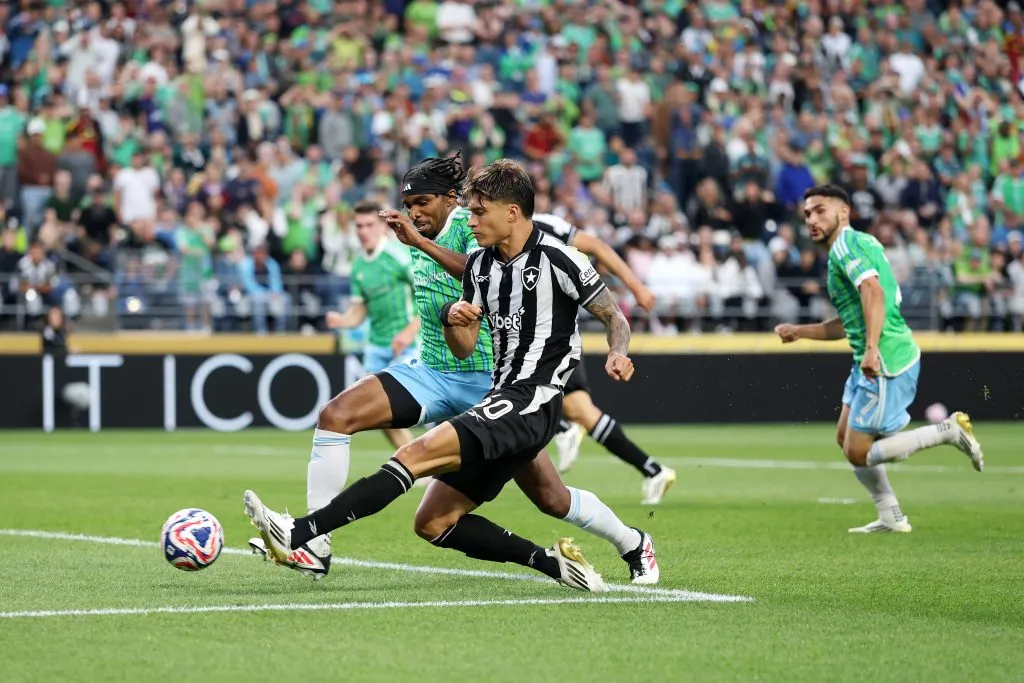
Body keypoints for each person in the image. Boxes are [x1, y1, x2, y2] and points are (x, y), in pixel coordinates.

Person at [249, 153, 658, 585]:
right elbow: (463, 346)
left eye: (479, 212)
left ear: (511, 212)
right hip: (483, 388)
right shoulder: (482, 265)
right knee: (449, 519)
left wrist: (618, 351)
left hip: (529, 399)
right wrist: (453, 318)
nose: (472, 221)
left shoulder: (559, 259)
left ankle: (302, 533)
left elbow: (614, 316)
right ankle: (612, 549)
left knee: (412, 456)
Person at [774, 185, 983, 533]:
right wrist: (801, 331)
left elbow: (874, 291)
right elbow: (850, 319)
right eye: (807, 213)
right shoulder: (862, 244)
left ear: (844, 212)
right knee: (845, 439)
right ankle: (890, 515)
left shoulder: (845, 245)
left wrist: (871, 348)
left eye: (820, 210)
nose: (811, 219)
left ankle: (947, 432)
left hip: (884, 358)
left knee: (858, 451)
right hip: (868, 357)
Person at [530, 213, 677, 504]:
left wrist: (636, 287)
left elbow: (596, 246)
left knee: (488, 386)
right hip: (531, 337)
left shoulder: (539, 225)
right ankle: (654, 470)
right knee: (584, 412)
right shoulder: (479, 235)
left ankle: (561, 426)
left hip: (551, 339)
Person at [323, 199, 419, 450]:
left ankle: (427, 459)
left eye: (369, 225)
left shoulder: (398, 256)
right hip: (376, 346)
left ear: (382, 226)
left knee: (395, 407)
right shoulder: (358, 265)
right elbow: (359, 311)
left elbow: (428, 297)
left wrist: (408, 333)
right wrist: (342, 320)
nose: (363, 231)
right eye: (359, 226)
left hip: (407, 345)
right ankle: (416, 465)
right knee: (381, 416)